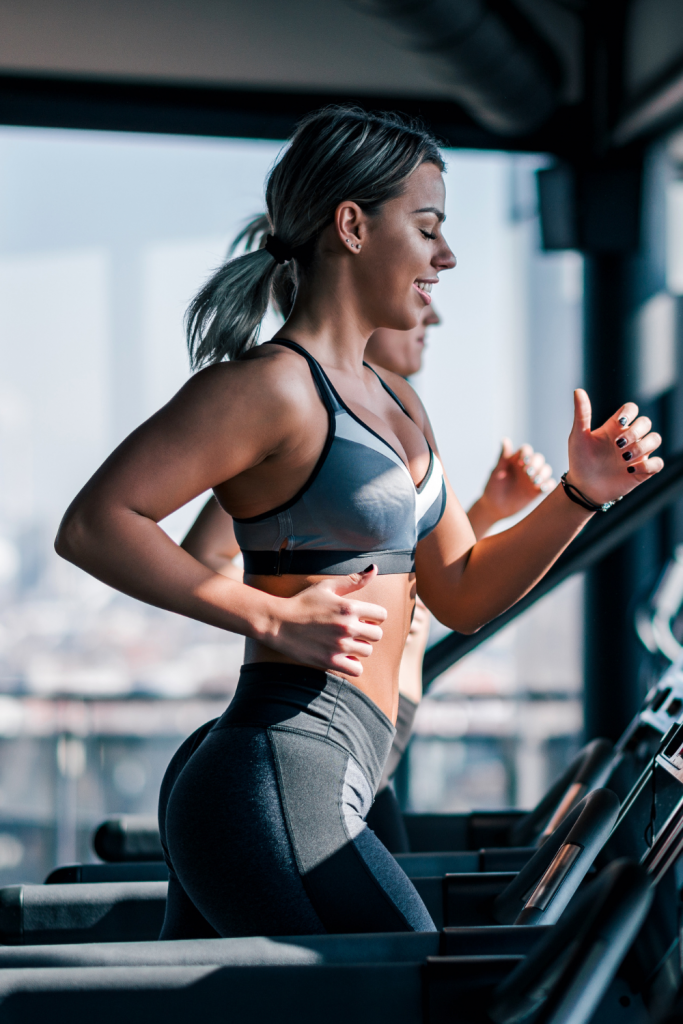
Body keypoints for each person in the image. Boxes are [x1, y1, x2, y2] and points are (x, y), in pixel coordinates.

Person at [55, 106, 663, 940]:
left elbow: (461, 591)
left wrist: (579, 496)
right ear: (351, 224)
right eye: (425, 228)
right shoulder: (270, 387)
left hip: (341, 770)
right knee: (414, 981)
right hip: (279, 764)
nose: (445, 256)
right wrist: (267, 613)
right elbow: (95, 525)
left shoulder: (399, 402)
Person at [181, 301, 555, 852]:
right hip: (314, 728)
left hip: (373, 729)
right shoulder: (298, 422)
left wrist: (488, 510)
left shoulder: (396, 413)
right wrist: (281, 616)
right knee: (396, 932)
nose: (433, 318)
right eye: (421, 305)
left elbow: (414, 570)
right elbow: (208, 551)